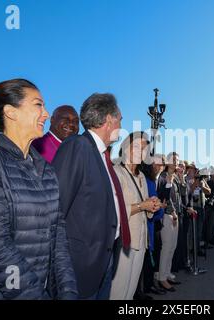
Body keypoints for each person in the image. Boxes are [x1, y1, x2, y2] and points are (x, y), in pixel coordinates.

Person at [0, 79, 77, 299]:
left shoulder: (46, 170)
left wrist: (68, 292)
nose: (46, 114)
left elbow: (58, 240)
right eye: (38, 105)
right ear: (11, 112)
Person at [52, 93, 129, 300]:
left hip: (103, 260)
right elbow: (56, 207)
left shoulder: (101, 154)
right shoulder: (77, 146)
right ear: (108, 120)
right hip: (80, 266)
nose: (121, 124)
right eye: (120, 118)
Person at [109, 132, 161, 300]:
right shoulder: (116, 172)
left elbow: (146, 210)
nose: (142, 152)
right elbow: (114, 209)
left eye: (145, 149)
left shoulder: (142, 177)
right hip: (124, 242)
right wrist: (141, 206)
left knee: (130, 292)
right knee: (118, 292)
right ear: (125, 148)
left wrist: (151, 206)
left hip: (141, 241)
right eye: (137, 147)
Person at [139, 154, 167, 297]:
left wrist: (160, 208)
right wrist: (159, 208)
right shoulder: (144, 179)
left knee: (150, 258)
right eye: (154, 163)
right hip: (142, 226)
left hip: (152, 224)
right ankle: (140, 291)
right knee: (140, 262)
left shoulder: (151, 180)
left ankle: (148, 286)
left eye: (159, 164)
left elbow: (156, 205)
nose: (157, 166)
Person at [157, 152, 181, 292]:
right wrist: (172, 212)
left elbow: (177, 198)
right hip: (167, 215)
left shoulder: (176, 177)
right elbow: (166, 197)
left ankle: (167, 274)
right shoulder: (163, 177)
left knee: (172, 246)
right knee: (166, 247)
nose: (176, 162)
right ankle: (161, 278)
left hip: (175, 215)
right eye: (173, 160)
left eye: (177, 160)